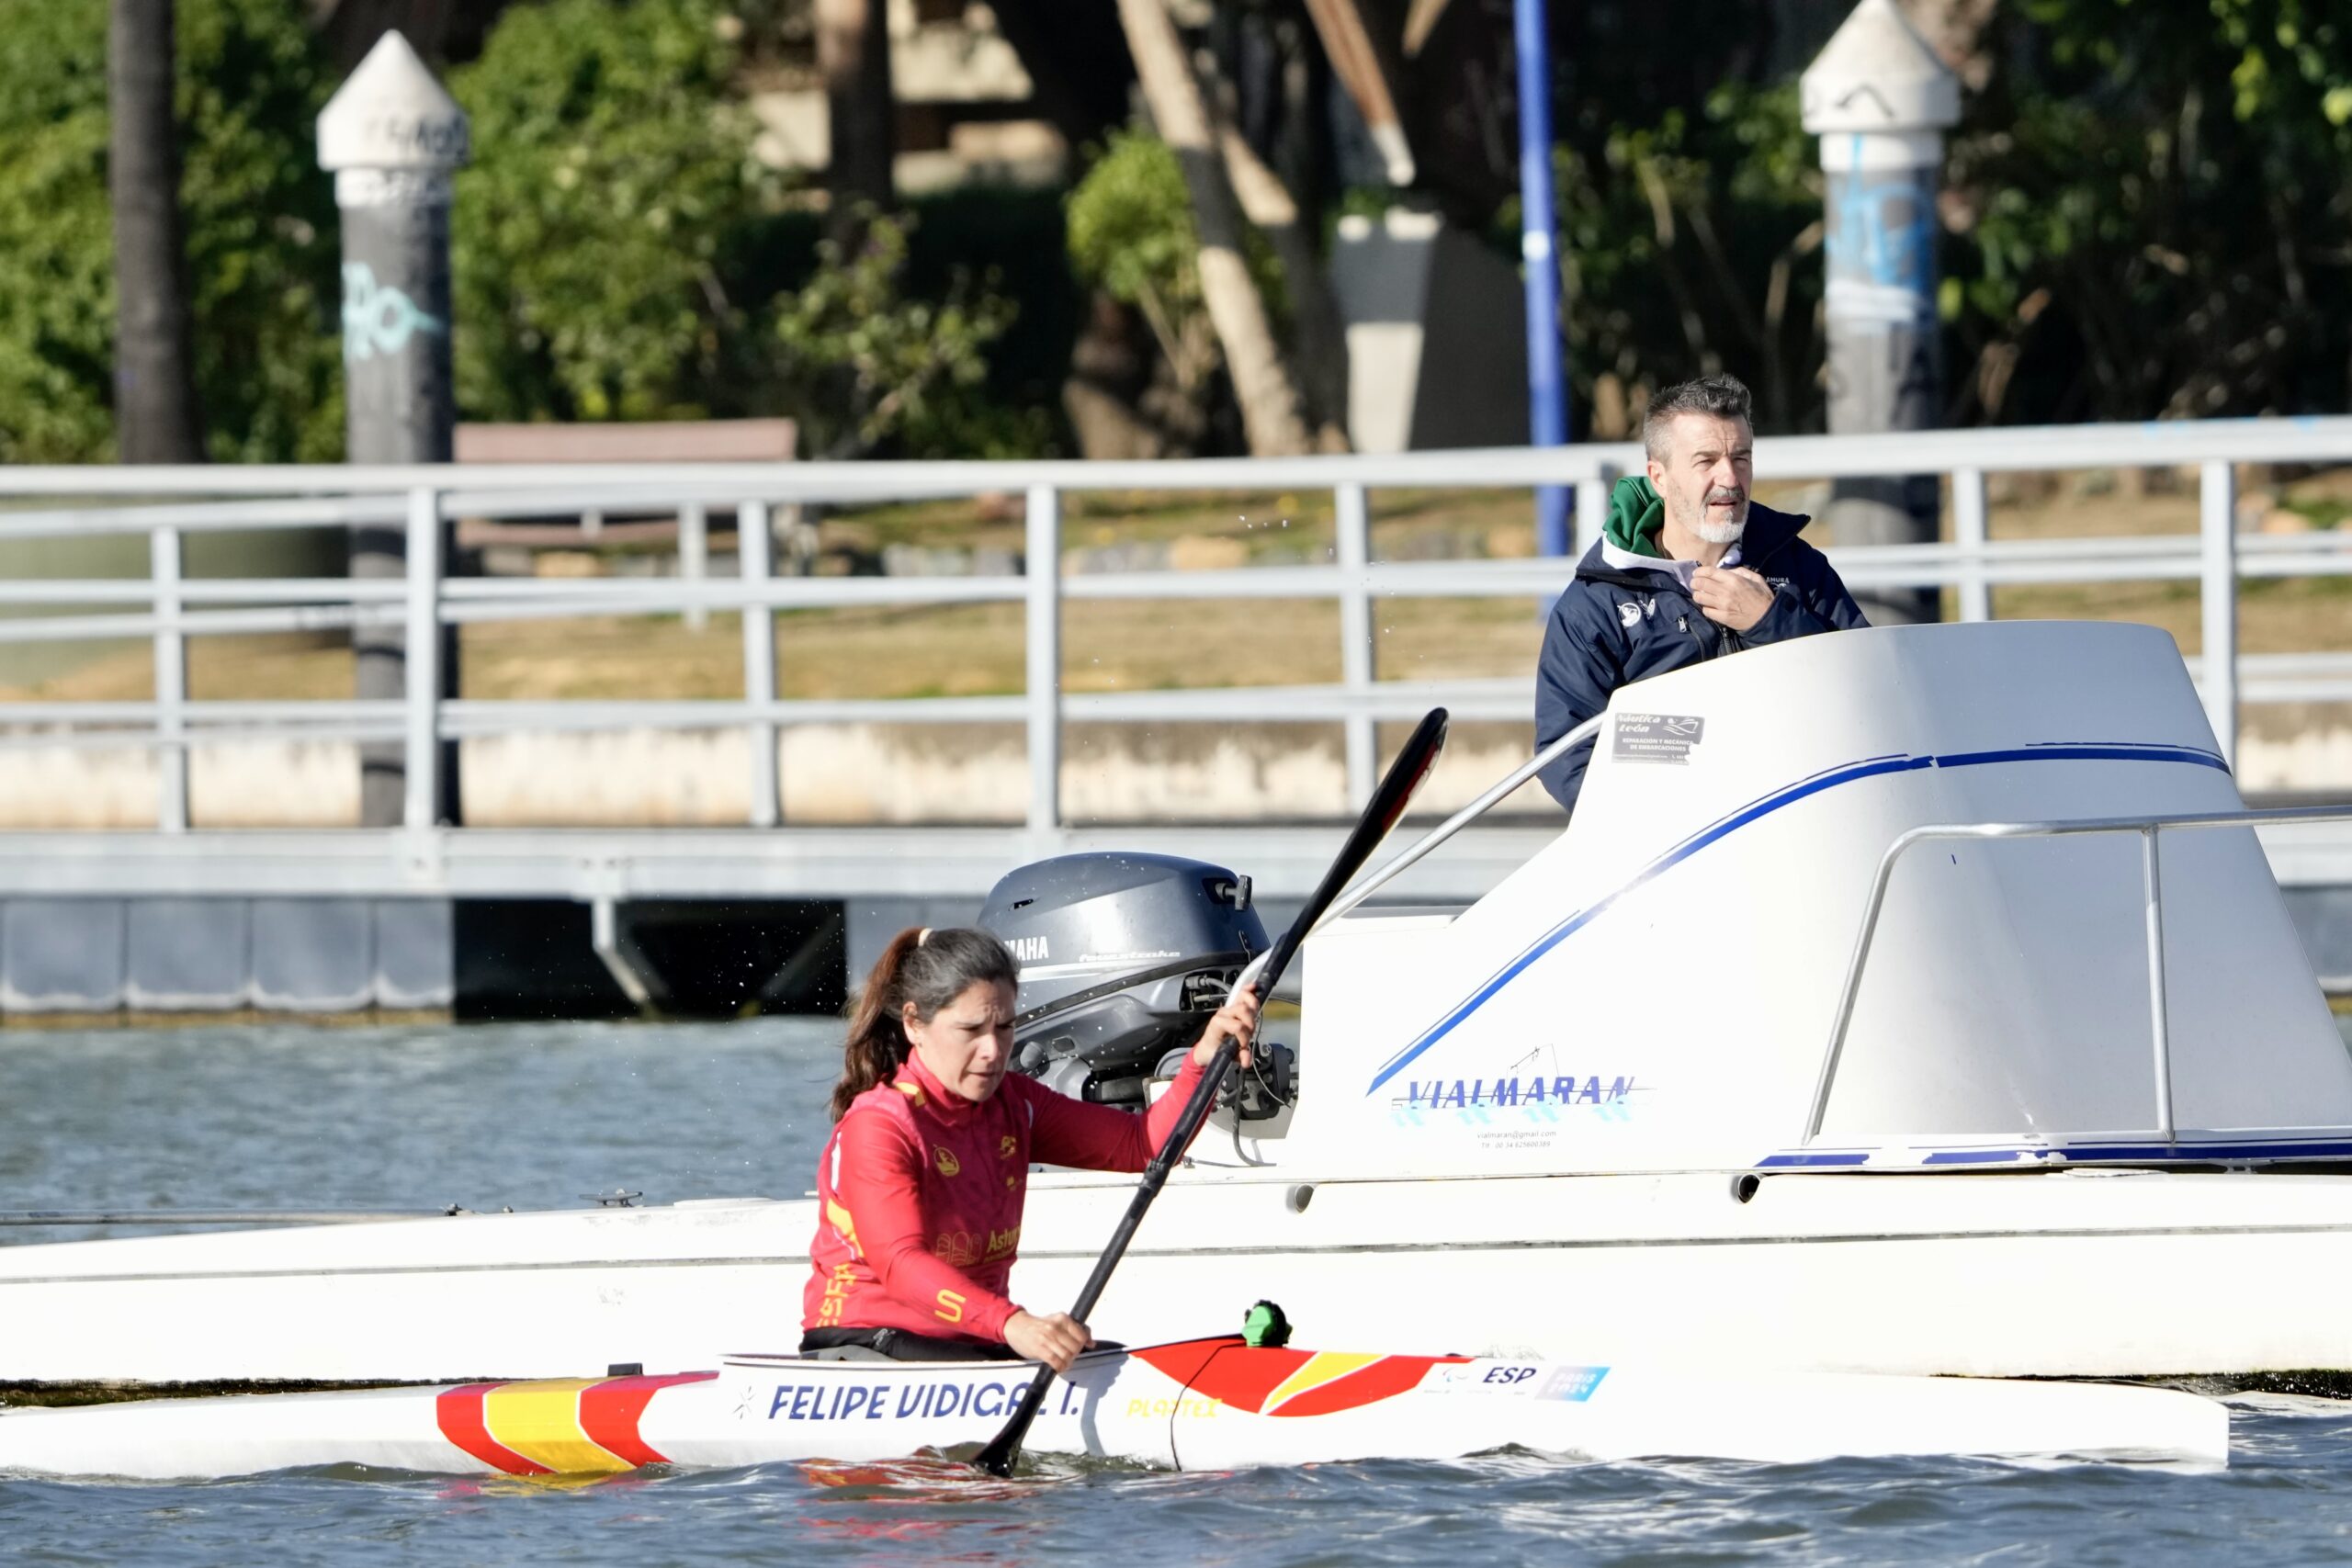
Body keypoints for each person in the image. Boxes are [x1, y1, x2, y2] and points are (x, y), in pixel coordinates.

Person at [802, 926, 1258, 1371]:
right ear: (914, 1024)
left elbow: (1144, 1145)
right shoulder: (880, 1126)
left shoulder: (1016, 1103)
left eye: (1004, 1027)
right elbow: (901, 1264)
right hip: (862, 1344)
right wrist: (1013, 1324)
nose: (992, 1050)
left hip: (972, 1342)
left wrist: (1202, 1058)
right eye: (971, 1030)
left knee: (1101, 1361)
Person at [1535, 373, 1869, 812]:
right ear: (1659, 477)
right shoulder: (1597, 602)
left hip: (1804, 818)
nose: (1729, 477)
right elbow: (1565, 755)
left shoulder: (1799, 566)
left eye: (1742, 457)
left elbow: (1866, 689)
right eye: (1706, 461)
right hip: (1678, 847)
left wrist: (1774, 625)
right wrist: (1665, 828)